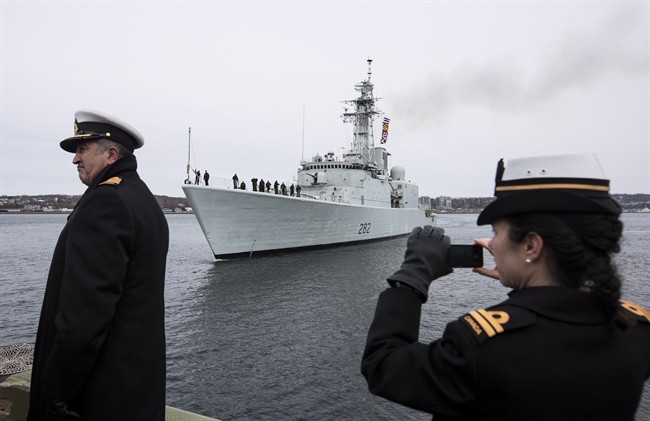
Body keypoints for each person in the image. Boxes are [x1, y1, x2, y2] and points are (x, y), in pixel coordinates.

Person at [361, 153, 650, 420]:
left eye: (497, 233)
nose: (492, 244)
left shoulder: (480, 347)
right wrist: (528, 281)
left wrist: (414, 273)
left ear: (531, 245)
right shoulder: (636, 329)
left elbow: (383, 365)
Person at [28, 109, 169, 421]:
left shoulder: (106, 203)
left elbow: (84, 318)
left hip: (97, 397)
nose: (75, 159)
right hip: (135, 390)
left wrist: (56, 392)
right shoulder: (144, 202)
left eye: (82, 149)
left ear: (111, 154)